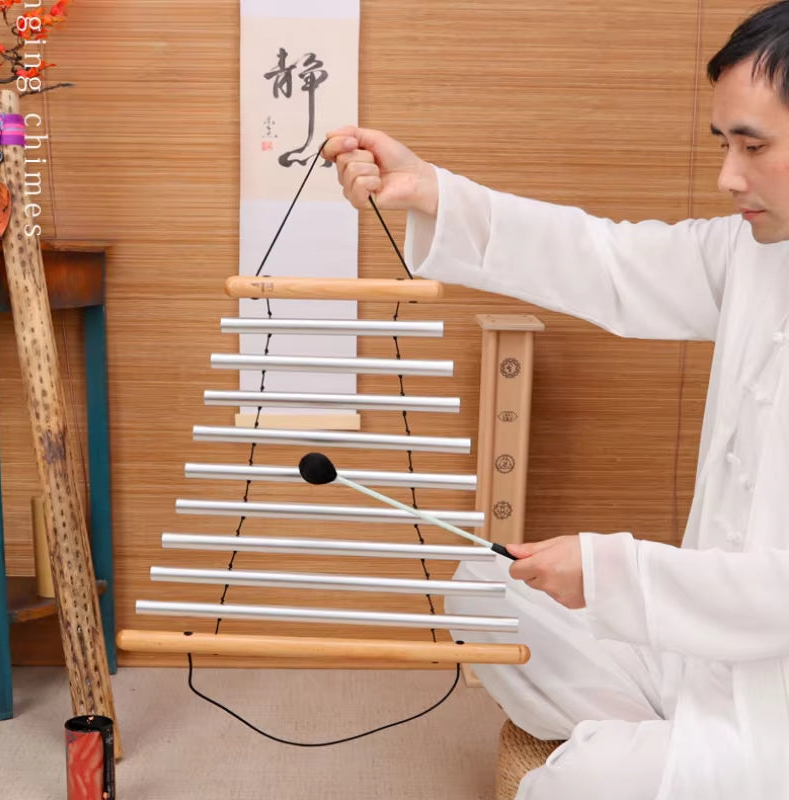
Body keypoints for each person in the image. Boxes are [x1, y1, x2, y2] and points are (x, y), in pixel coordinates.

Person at [322, 3, 789, 799]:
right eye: (725, 145)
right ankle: (662, 745)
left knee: (566, 786)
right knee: (486, 584)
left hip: (773, 709)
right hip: (695, 654)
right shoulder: (755, 246)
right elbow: (604, 259)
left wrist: (609, 571)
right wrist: (433, 190)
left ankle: (658, 756)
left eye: (754, 146)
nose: (728, 177)